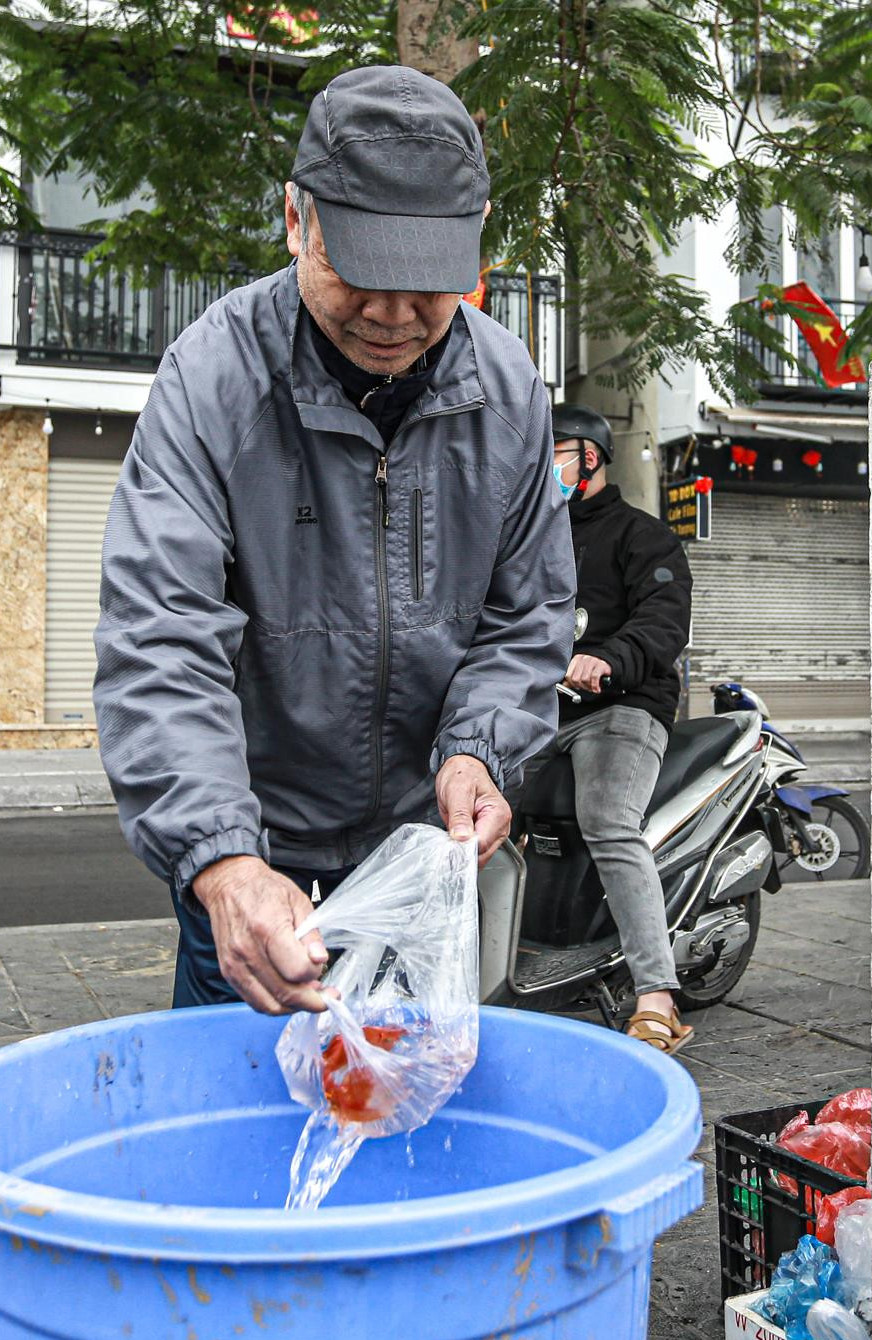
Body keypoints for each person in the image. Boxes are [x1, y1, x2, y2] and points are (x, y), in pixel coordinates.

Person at [94, 65, 575, 1016]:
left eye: (427, 284)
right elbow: (160, 633)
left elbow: (527, 616)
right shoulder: (213, 377)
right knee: (246, 1130)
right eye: (358, 271)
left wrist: (478, 751)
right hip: (256, 854)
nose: (394, 317)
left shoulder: (509, 390)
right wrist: (223, 862)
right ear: (294, 221)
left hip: (415, 862)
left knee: (404, 1114)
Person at [548, 404, 695, 1052]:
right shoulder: (529, 538)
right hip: (539, 708)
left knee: (607, 819)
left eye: (557, 450)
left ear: (591, 456)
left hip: (620, 706)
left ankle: (656, 996)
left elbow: (663, 621)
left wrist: (607, 659)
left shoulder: (643, 536)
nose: (547, 463)